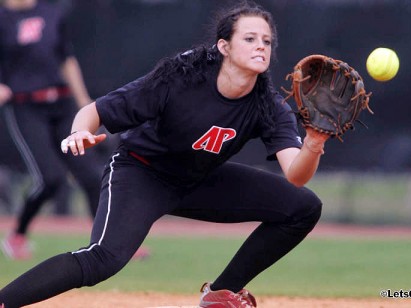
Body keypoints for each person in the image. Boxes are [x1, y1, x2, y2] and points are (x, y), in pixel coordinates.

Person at [0, 1, 329, 307]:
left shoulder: (267, 105)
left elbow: (295, 175)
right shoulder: (181, 77)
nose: (261, 46)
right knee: (103, 258)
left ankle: (220, 294)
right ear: (224, 46)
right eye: (250, 38)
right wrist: (79, 131)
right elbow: (94, 111)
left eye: (267, 41)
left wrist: (314, 141)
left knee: (303, 207)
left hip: (198, 180)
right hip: (142, 173)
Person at [0, 0, 150, 261]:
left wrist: (84, 104)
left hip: (61, 104)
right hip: (26, 107)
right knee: (50, 179)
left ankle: (111, 243)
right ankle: (17, 236)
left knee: (92, 177)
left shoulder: (50, 14)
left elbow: (66, 60)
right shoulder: (3, 18)